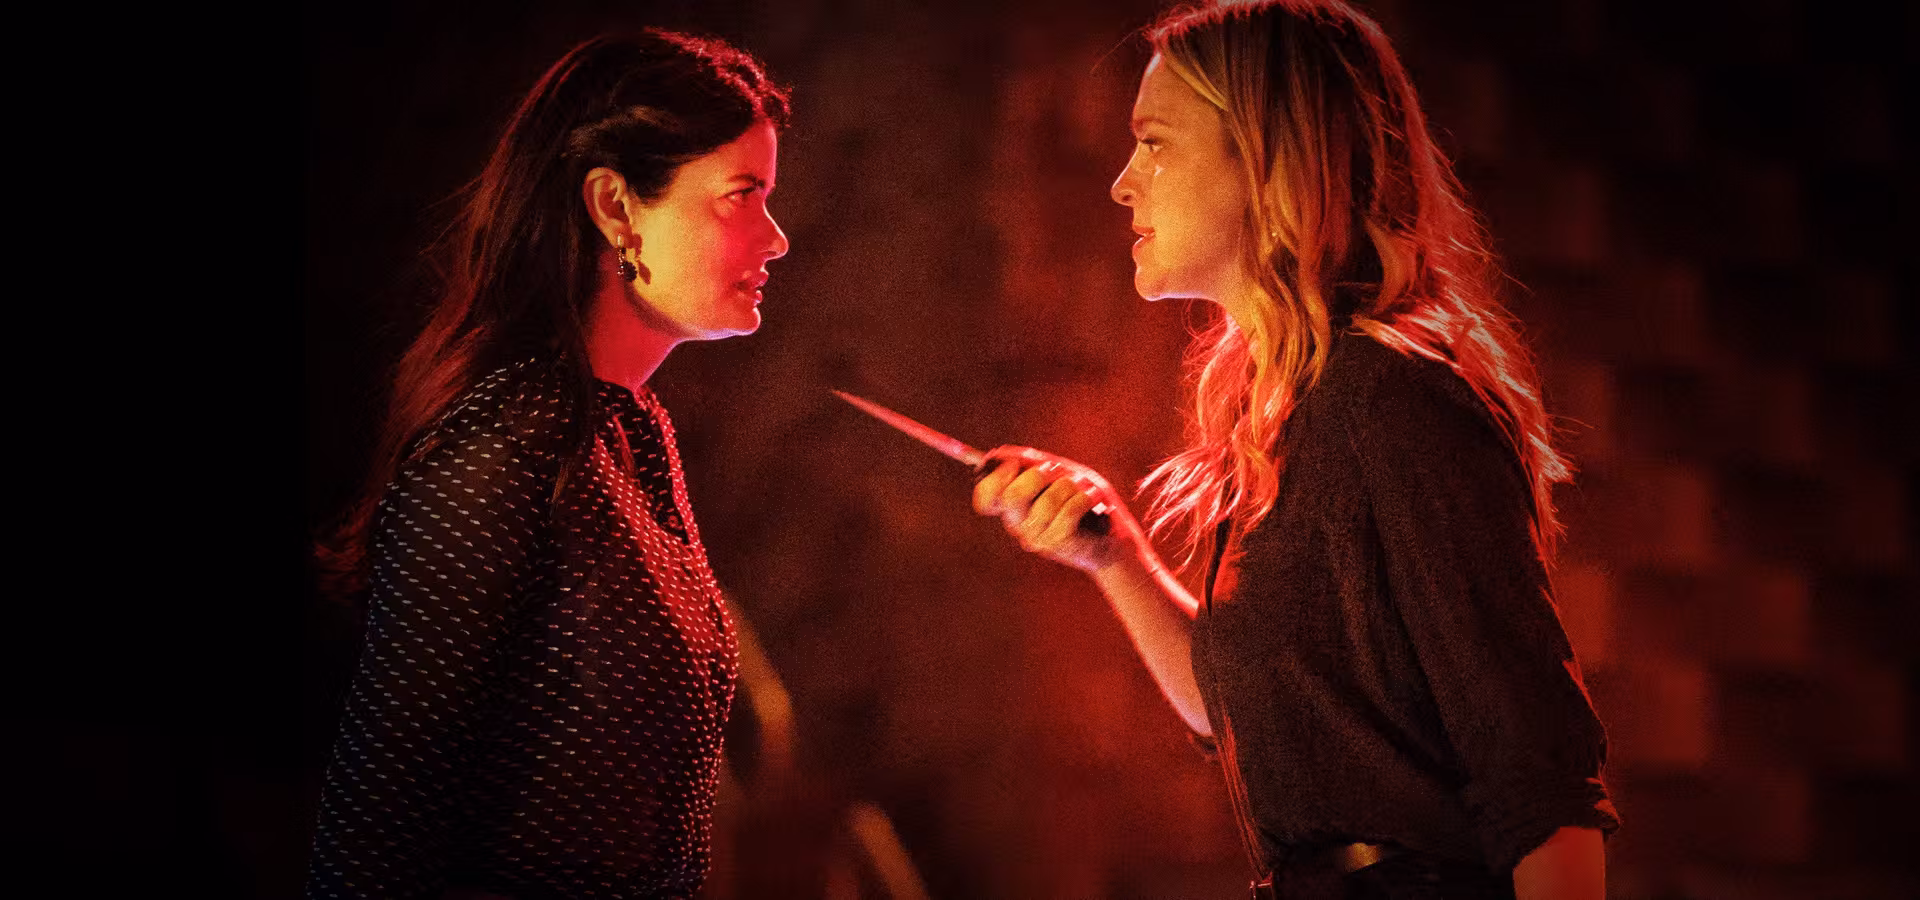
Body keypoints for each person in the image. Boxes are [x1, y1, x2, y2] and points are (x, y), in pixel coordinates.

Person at [970, 2, 1618, 898]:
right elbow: (1243, 717)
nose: (1122, 184)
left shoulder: (1389, 398)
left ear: (1269, 157)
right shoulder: (1296, 411)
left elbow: (1539, 778)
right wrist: (1112, 553)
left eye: (1154, 143)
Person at [308, 30, 790, 899]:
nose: (777, 238)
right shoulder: (510, 437)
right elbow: (379, 825)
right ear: (614, 207)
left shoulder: (632, 432)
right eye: (741, 196)